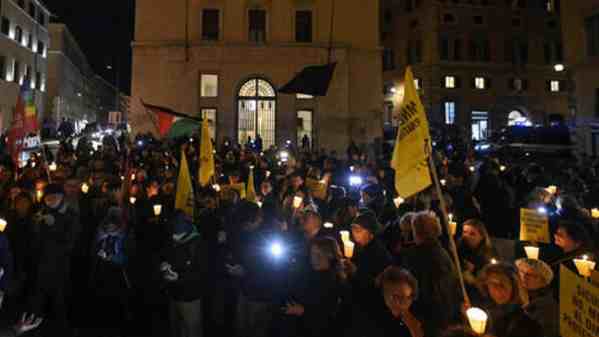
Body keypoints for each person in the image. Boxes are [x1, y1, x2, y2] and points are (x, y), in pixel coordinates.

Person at [400, 211, 463, 337]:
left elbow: (422, 291)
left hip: (428, 322)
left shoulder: (419, 257)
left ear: (416, 232)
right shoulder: (441, 251)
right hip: (446, 317)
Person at [30, 183, 77, 336]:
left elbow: (70, 242)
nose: (50, 200)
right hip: (43, 263)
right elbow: (36, 241)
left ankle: (62, 329)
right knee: (39, 297)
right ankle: (35, 326)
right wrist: (37, 225)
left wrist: (54, 226)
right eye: (48, 198)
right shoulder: (43, 213)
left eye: (54, 197)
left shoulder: (70, 215)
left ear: (62, 198)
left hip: (60, 265)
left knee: (59, 299)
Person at [280, 237, 346, 337]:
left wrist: (303, 311)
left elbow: (328, 314)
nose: (314, 258)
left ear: (330, 256)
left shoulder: (333, 280)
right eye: (312, 254)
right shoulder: (312, 273)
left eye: (319, 254)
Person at [89, 207, 131, 337]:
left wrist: (112, 258)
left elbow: (128, 257)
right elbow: (93, 252)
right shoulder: (101, 237)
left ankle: (119, 324)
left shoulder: (124, 237)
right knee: (104, 299)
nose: (110, 230)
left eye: (113, 228)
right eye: (108, 227)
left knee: (118, 301)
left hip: (118, 274)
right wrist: (99, 254)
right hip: (102, 273)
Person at [161, 211, 204, 337]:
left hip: (190, 297)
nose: (174, 237)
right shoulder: (172, 237)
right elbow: (165, 255)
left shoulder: (197, 244)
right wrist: (164, 265)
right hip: (174, 294)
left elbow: (201, 273)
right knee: (178, 327)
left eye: (177, 234)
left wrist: (179, 277)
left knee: (191, 329)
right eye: (173, 233)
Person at [352, 266, 424, 337]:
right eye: (396, 297)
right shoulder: (368, 320)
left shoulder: (413, 320)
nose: (402, 303)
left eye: (408, 297)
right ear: (382, 294)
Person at [477, 263, 543, 337]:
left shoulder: (527, 324)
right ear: (486, 286)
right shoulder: (482, 316)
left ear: (513, 286)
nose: (498, 289)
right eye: (493, 284)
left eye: (503, 283)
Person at [515, 258, 558, 337]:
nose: (524, 277)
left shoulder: (547, 307)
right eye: (521, 272)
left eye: (531, 275)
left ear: (544, 282)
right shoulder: (511, 295)